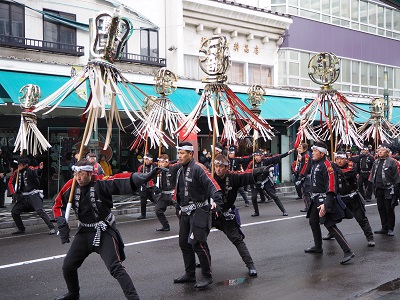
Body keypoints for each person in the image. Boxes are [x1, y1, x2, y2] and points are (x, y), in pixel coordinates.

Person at [53, 159, 162, 300]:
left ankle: (133, 297)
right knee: (68, 266)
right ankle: (73, 293)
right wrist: (60, 219)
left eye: (81, 173)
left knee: (115, 267)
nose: (78, 177)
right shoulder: (71, 186)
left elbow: (120, 179)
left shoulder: (101, 182)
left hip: (103, 230)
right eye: (75, 173)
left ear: (90, 173)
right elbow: (58, 204)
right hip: (84, 232)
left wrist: (144, 177)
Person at [171, 142, 223, 289]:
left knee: (198, 243)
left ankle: (207, 276)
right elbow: (178, 191)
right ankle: (190, 273)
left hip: (199, 211)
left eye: (182, 153)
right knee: (184, 243)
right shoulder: (180, 170)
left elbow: (212, 185)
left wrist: (217, 200)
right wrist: (176, 205)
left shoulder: (199, 168)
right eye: (178, 153)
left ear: (191, 154)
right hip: (185, 213)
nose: (179, 156)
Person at [213, 154, 264, 276]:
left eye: (221, 166)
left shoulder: (233, 177)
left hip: (225, 214)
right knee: (197, 237)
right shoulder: (209, 177)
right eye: (216, 166)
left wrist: (259, 171)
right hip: (210, 212)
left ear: (226, 167)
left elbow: (246, 176)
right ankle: (204, 261)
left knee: (237, 239)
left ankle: (250, 264)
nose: (218, 169)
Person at [305, 142, 355, 265]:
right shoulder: (316, 163)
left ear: (322, 153)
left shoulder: (327, 166)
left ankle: (348, 250)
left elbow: (331, 187)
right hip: (315, 199)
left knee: (330, 226)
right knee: (313, 222)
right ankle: (318, 246)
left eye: (315, 151)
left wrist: (326, 205)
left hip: (324, 200)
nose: (313, 153)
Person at [326, 151, 374, 247]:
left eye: (341, 159)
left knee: (361, 218)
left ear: (346, 159)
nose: (339, 161)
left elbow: (347, 174)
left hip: (352, 197)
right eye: (337, 159)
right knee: (330, 217)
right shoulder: (333, 168)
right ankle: (332, 233)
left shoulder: (351, 165)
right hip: (339, 198)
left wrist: (334, 168)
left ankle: (370, 237)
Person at [8, 157, 56, 235]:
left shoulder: (30, 169)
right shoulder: (16, 172)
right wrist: (14, 194)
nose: (19, 165)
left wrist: (40, 169)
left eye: (21, 164)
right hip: (23, 197)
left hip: (33, 194)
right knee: (14, 212)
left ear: (25, 165)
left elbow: (36, 172)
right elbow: (10, 183)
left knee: (40, 210)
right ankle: (21, 228)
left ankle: (52, 227)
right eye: (19, 164)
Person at [246, 148, 294, 217]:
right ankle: (256, 212)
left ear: (261, 156)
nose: (256, 157)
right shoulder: (252, 163)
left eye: (257, 156)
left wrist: (287, 153)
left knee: (274, 196)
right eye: (255, 156)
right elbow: (247, 172)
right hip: (256, 182)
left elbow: (276, 157)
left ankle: (284, 211)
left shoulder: (266, 161)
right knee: (253, 197)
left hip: (265, 181)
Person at [369, 144, 400, 236]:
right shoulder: (376, 162)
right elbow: (372, 175)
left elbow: (397, 177)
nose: (380, 152)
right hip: (379, 189)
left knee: (389, 209)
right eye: (379, 150)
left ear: (387, 152)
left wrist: (396, 190)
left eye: (382, 150)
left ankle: (390, 228)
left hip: (389, 189)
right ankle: (384, 227)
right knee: (381, 208)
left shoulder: (392, 162)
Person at [154, 154, 176, 231]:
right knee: (158, 210)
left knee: (180, 211)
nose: (160, 163)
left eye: (162, 162)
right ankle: (165, 225)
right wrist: (155, 187)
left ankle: (186, 227)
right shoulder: (159, 170)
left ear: (167, 162)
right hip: (163, 194)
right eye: (159, 162)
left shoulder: (173, 169)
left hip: (173, 194)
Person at [137, 153, 156, 219]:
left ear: (151, 160)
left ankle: (160, 210)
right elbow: (138, 176)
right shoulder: (141, 167)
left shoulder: (154, 166)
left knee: (155, 199)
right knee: (143, 201)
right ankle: (143, 214)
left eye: (148, 160)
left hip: (152, 186)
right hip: (143, 186)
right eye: (146, 159)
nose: (147, 161)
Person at [294, 143, 312, 212]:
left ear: (304, 149)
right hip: (303, 176)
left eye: (300, 148)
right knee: (304, 192)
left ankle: (309, 207)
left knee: (306, 192)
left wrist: (301, 175)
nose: (298, 149)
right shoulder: (302, 156)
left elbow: (306, 167)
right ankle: (307, 206)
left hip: (306, 177)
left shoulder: (306, 156)